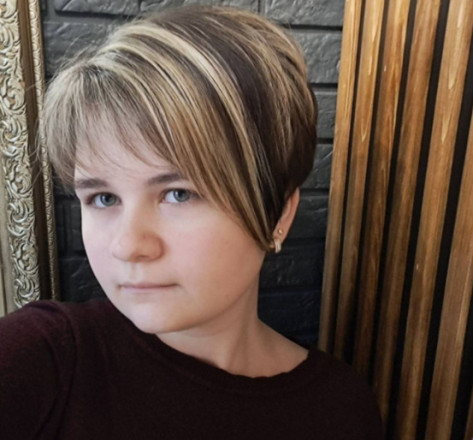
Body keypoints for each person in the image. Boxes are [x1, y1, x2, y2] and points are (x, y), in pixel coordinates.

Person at [0, 5, 383, 439]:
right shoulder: (44, 359)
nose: (128, 246)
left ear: (278, 212)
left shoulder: (341, 410)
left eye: (179, 193)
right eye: (103, 198)